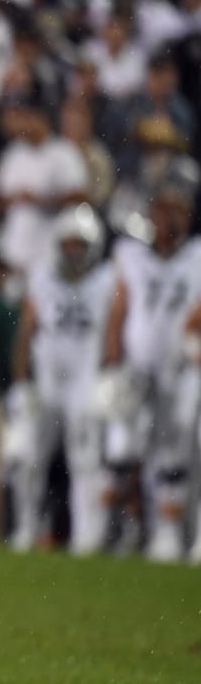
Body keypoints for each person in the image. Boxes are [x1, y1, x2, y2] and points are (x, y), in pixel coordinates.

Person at [97, 167, 201, 563]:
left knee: (173, 452)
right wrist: (111, 363)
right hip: (137, 367)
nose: (169, 218)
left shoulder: (196, 257)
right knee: (122, 450)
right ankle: (120, 528)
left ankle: (167, 533)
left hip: (181, 369)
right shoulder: (131, 255)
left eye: (177, 211)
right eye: (163, 209)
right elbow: (119, 310)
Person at [6, 204, 117, 555]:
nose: (73, 252)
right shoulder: (42, 278)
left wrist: (110, 375)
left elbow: (114, 332)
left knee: (86, 463)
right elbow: (26, 332)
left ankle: (87, 537)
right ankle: (25, 529)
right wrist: (21, 382)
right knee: (28, 459)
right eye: (68, 244)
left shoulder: (107, 280)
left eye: (80, 245)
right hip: (47, 382)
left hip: (84, 382)